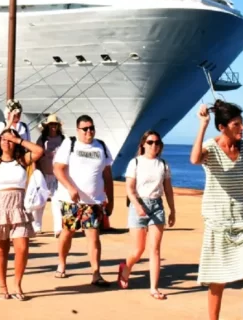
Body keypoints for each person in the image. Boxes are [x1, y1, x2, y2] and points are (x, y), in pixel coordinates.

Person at [189, 102, 243, 320]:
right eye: (237, 124)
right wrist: (203, 124)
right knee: (218, 282)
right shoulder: (212, 148)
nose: (242, 129)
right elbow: (195, 159)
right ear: (222, 127)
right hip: (218, 225)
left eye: (242, 124)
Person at [0, 129, 44, 300]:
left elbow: (39, 151)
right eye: (4, 139)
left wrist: (18, 140)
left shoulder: (21, 161)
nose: (7, 142)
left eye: (10, 140)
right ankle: (3, 286)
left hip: (19, 206)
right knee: (1, 249)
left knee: (22, 248)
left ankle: (17, 285)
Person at [53, 114, 114, 287]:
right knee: (67, 233)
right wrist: (70, 188)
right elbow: (58, 169)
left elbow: (107, 174)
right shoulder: (70, 144)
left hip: (94, 201)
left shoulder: (101, 146)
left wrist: (110, 199)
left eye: (91, 128)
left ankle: (96, 273)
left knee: (93, 236)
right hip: (71, 200)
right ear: (78, 130)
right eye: (85, 129)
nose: (89, 131)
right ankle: (62, 263)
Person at [117, 130, 176, 300]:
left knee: (155, 249)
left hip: (157, 206)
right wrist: (137, 205)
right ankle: (125, 267)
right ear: (143, 144)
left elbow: (168, 189)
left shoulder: (163, 164)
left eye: (157, 142)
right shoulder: (135, 162)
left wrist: (172, 210)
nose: (154, 145)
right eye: (150, 142)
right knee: (138, 249)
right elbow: (129, 188)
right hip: (139, 205)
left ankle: (154, 288)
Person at [33, 114, 65, 235]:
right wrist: (36, 173)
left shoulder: (63, 139)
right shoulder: (42, 140)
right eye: (51, 124)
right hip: (44, 174)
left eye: (55, 125)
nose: (53, 127)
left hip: (57, 175)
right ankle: (37, 226)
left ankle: (58, 228)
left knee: (57, 201)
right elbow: (36, 156)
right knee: (40, 202)